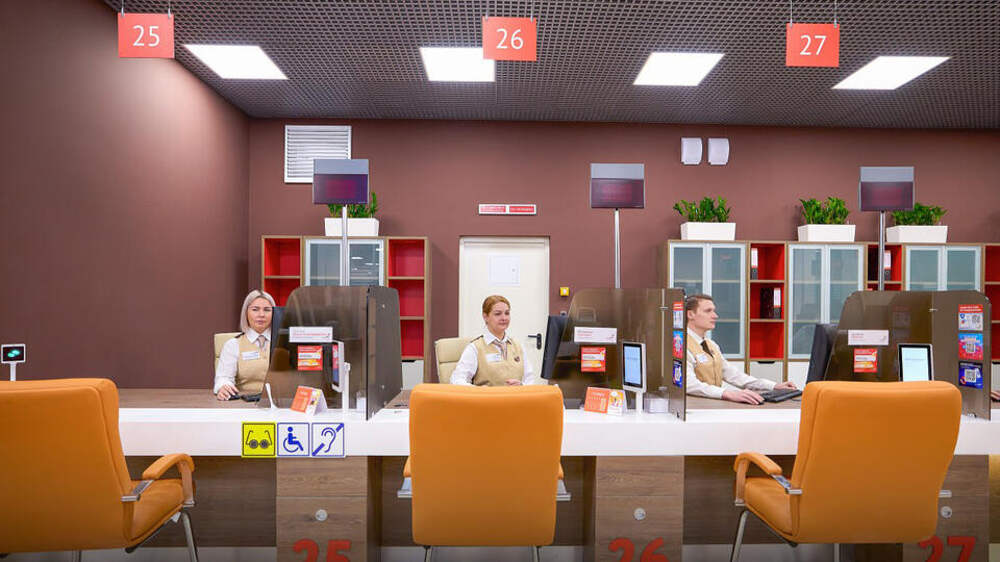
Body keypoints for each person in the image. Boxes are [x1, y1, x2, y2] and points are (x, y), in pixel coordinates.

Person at [685, 294, 797, 404]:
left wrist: (773, 386)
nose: (715, 316)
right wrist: (727, 393)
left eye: (713, 311)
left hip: (710, 405)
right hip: (693, 408)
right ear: (690, 314)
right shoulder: (681, 345)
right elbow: (689, 384)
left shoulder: (711, 345)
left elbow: (733, 375)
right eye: (708, 311)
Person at [450, 295, 540, 386]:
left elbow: (530, 380)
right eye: (498, 314)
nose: (504, 318)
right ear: (485, 316)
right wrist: (479, 390)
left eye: (507, 313)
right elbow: (457, 380)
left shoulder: (518, 346)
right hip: (487, 395)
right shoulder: (475, 348)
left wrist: (522, 385)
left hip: (515, 395)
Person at [214, 289, 276, 400]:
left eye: (267, 310)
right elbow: (223, 378)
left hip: (280, 404)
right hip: (245, 403)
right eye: (255, 309)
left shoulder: (285, 342)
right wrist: (223, 387)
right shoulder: (233, 345)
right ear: (246, 313)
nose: (261, 315)